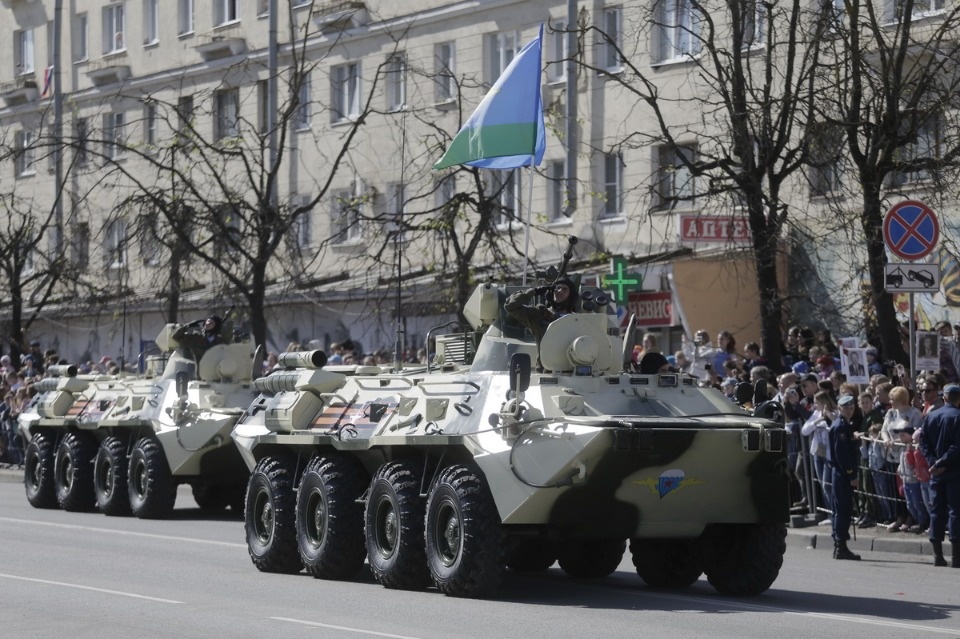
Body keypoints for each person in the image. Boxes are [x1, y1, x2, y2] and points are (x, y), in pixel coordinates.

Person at [918, 383, 960, 567]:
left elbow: (923, 443)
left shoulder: (931, 416)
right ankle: (957, 557)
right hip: (954, 471)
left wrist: (933, 462)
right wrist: (941, 462)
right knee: (955, 512)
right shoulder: (957, 417)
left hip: (937, 472)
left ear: (944, 397)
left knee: (937, 511)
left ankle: (938, 555)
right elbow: (957, 447)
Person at [504, 278, 578, 360]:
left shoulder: (577, 319)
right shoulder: (539, 314)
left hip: (573, 367)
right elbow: (510, 307)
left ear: (570, 295)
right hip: (545, 369)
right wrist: (533, 291)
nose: (560, 291)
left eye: (565, 289)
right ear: (552, 292)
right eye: (557, 288)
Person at [829, 394, 862, 560]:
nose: (849, 410)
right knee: (843, 510)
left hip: (839, 473)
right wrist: (851, 475)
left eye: (851, 407)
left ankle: (838, 545)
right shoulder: (841, 427)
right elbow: (842, 455)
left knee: (839, 510)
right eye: (846, 408)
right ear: (839, 408)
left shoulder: (843, 425)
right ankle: (841, 546)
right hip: (843, 474)